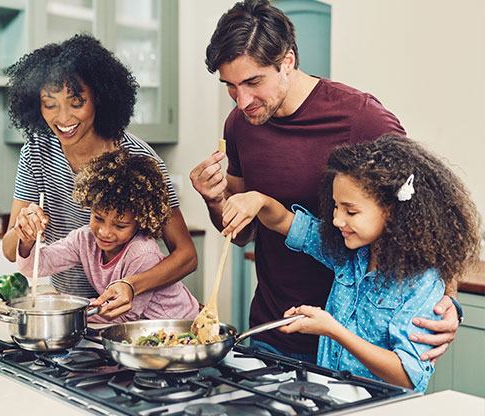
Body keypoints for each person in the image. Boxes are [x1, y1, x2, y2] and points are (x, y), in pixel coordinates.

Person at [190, 0, 460, 363]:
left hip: (361, 346)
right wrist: (215, 200)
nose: (242, 101)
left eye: (253, 82)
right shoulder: (239, 125)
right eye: (231, 86)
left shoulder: (362, 118)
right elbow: (242, 235)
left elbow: (429, 217)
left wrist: (450, 300)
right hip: (273, 330)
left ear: (287, 61)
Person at [220, 135, 481, 392]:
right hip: (332, 397)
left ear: (390, 210)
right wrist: (259, 200)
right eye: (335, 207)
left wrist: (333, 330)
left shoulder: (422, 283)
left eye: (350, 211)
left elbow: (407, 375)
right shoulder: (347, 253)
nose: (337, 220)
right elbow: (284, 222)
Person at [2, 34, 197, 320]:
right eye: (50, 104)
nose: (63, 117)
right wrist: (24, 232)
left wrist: (130, 285)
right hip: (74, 311)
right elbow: (11, 250)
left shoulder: (139, 160)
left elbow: (186, 256)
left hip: (126, 317)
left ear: (99, 98)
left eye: (76, 101)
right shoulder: (36, 151)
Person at [16, 149, 199, 323]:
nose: (104, 232)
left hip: (178, 323)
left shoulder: (142, 253)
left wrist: (64, 304)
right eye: (98, 218)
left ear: (140, 221)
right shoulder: (85, 239)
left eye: (120, 226)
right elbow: (34, 267)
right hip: (141, 327)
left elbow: (124, 315)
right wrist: (28, 239)